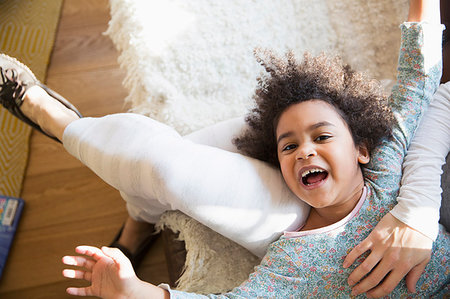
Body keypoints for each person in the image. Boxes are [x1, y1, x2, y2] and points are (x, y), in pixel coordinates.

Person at [0, 0, 447, 297]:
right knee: (161, 163)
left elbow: (417, 81)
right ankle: (85, 150)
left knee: (159, 165)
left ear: (363, 151)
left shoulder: (388, 174)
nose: (304, 151)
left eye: (322, 137)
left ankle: (126, 201)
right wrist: (138, 292)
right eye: (288, 147)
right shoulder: (293, 259)